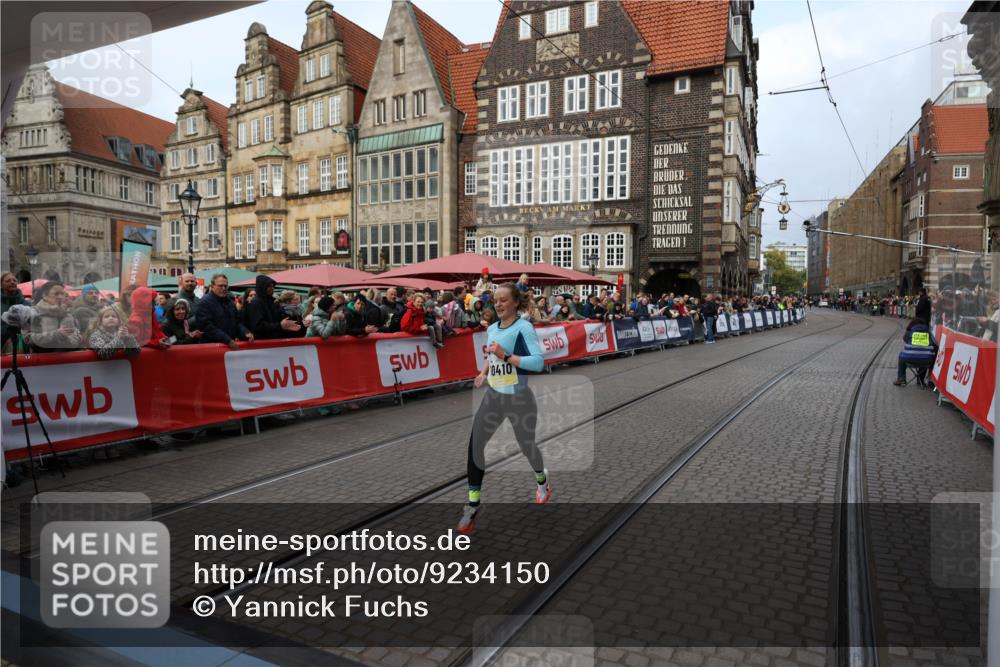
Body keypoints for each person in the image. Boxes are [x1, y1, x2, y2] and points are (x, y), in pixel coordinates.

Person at [458, 283, 551, 534]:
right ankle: (473, 504)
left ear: (515, 303)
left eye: (503, 300)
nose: (497, 304)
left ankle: (542, 481)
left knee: (527, 446)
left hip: (519, 399)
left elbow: (538, 363)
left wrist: (507, 356)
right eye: (495, 300)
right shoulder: (492, 329)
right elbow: (492, 356)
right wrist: (482, 373)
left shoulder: (524, 328)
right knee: (475, 445)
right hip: (494, 397)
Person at [194, 274, 254, 349]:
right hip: (212, 348)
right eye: (220, 286)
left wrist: (245, 332)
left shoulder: (230, 302)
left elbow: (237, 322)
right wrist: (227, 340)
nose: (223, 288)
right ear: (212, 286)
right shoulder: (204, 302)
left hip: (229, 347)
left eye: (225, 286)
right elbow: (206, 327)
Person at [25, 281, 83, 353]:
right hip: (42, 361)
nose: (60, 297)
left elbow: (75, 341)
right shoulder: (34, 313)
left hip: (67, 360)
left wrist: (70, 338)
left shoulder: (68, 315)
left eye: (62, 294)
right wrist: (57, 335)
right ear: (45, 296)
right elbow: (28, 339)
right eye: (56, 294)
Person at [893, 317, 937, 386]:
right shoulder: (929, 331)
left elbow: (905, 340)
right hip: (926, 361)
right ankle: (921, 380)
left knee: (901, 356)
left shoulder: (909, 331)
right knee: (925, 355)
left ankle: (901, 378)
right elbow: (934, 343)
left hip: (909, 359)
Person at [2, 271, 27, 351]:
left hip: (24, 347)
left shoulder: (27, 304)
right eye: (8, 281)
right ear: (1, 284)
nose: (12, 282)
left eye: (14, 280)